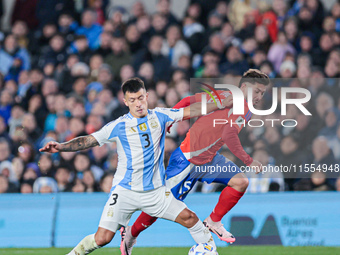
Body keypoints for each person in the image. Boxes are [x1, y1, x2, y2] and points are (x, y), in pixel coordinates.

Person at [40, 77, 232, 255]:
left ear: (147, 96)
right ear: (125, 102)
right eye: (132, 100)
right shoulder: (118, 125)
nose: (138, 103)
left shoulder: (160, 116)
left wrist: (221, 103)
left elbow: (193, 110)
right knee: (103, 238)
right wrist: (61, 147)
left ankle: (208, 251)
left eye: (140, 98)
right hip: (125, 192)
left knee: (191, 219)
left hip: (156, 193)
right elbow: (87, 141)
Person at [123, 69, 268, 249]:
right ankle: (131, 233)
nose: (259, 97)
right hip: (187, 160)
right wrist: (249, 160)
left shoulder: (227, 97)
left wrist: (171, 118)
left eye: (262, 93)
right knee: (159, 206)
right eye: (257, 91)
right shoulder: (236, 103)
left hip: (209, 159)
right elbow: (229, 134)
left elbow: (187, 101)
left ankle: (214, 221)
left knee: (241, 182)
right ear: (244, 87)